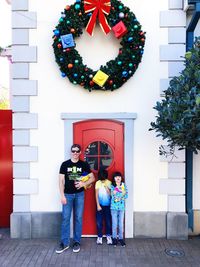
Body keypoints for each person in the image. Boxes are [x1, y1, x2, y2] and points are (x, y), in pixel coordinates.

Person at [56, 144, 95, 254]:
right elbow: (61, 181)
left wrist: (83, 183)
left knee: (78, 218)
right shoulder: (65, 164)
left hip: (79, 195)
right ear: (71, 152)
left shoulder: (83, 164)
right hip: (67, 195)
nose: (75, 153)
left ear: (80, 152)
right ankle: (64, 243)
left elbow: (92, 178)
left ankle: (77, 241)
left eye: (77, 151)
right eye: (73, 151)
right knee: (65, 219)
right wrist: (62, 195)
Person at [110, 171, 128, 247]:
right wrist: (118, 188)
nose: (118, 178)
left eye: (119, 177)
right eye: (116, 177)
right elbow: (112, 195)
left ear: (121, 178)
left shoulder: (124, 186)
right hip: (114, 208)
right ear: (114, 179)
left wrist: (121, 192)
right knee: (114, 224)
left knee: (120, 224)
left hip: (121, 208)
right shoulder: (112, 186)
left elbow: (126, 195)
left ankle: (120, 238)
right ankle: (114, 238)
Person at [95, 168, 112, 245]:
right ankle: (99, 236)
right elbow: (96, 194)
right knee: (99, 222)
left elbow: (111, 195)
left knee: (108, 222)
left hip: (108, 206)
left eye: (103, 179)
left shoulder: (109, 182)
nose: (102, 181)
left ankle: (109, 236)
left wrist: (107, 189)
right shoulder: (98, 183)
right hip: (100, 205)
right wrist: (98, 205)